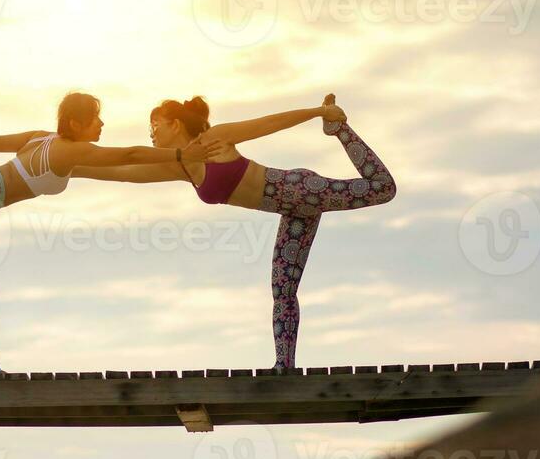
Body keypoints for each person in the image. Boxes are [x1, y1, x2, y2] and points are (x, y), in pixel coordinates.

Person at [0, 92, 220, 373]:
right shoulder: (70, 150)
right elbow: (127, 154)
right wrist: (180, 152)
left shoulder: (43, 138)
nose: (101, 124)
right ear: (75, 123)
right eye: (95, 118)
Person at [71, 94, 396, 371]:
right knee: (282, 288)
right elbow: (124, 172)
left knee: (383, 189)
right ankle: (284, 368)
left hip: (299, 189)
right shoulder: (181, 166)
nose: (151, 134)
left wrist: (320, 113)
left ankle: (339, 130)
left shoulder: (215, 140)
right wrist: (68, 167)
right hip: (293, 212)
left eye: (154, 124)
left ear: (175, 124)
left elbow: (268, 123)